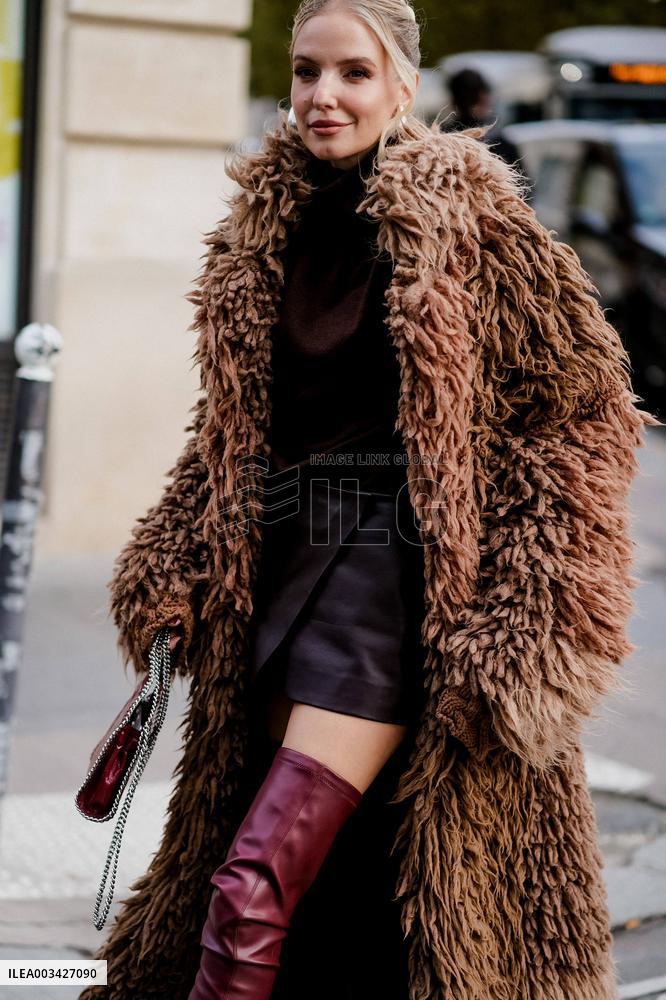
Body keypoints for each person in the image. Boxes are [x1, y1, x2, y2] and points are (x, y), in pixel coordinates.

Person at [78, 1, 661, 998]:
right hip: (280, 565)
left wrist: (534, 619)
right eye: (306, 72)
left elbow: (586, 411)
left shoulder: (474, 226)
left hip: (393, 582)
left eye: (352, 73)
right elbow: (225, 440)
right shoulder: (264, 232)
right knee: (326, 902)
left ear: (403, 85)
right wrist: (175, 557)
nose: (323, 96)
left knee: (251, 885)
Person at [442, 66, 524, 172]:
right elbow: (524, 185)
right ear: (483, 97)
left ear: (453, 99)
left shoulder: (441, 141)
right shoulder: (499, 143)